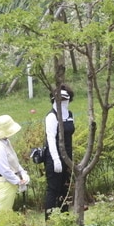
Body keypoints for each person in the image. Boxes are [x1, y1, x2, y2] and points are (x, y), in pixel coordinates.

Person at [42, 85, 75, 218]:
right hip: (54, 157)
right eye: (59, 99)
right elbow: (50, 138)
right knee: (53, 189)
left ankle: (64, 217)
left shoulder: (70, 115)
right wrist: (56, 159)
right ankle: (49, 220)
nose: (62, 102)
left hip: (68, 156)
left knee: (65, 188)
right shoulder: (52, 116)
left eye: (65, 99)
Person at [0, 114, 30, 214]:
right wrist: (18, 181)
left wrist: (22, 173)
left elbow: (14, 162)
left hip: (9, 182)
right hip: (3, 183)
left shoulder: (6, 142)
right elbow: (4, 169)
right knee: (3, 215)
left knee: (8, 213)